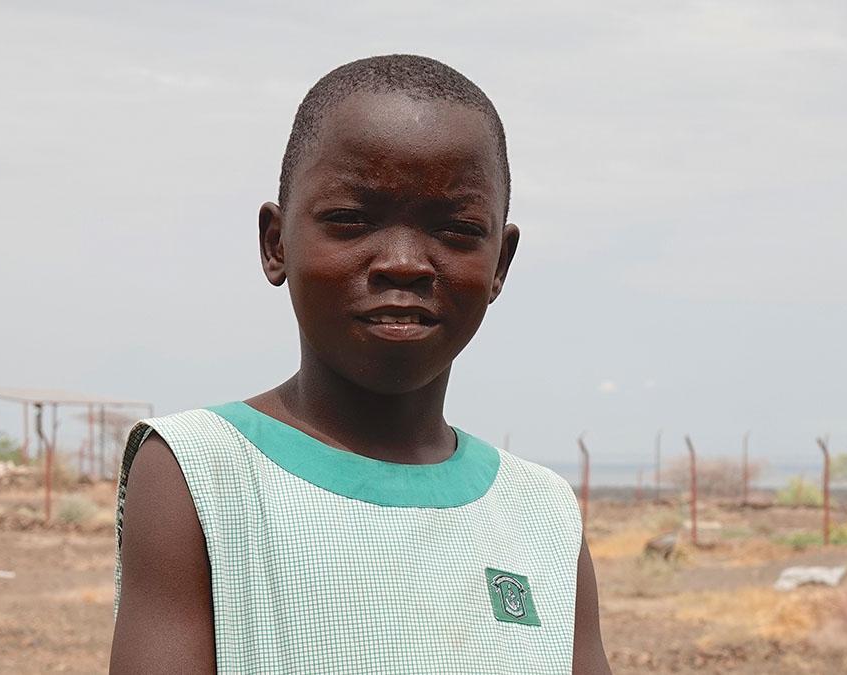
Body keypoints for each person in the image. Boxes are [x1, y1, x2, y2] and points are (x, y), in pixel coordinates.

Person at [110, 54, 610, 674]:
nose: (403, 262)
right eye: (350, 220)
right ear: (276, 245)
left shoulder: (542, 511)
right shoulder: (202, 471)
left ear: (500, 262)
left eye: (455, 229)